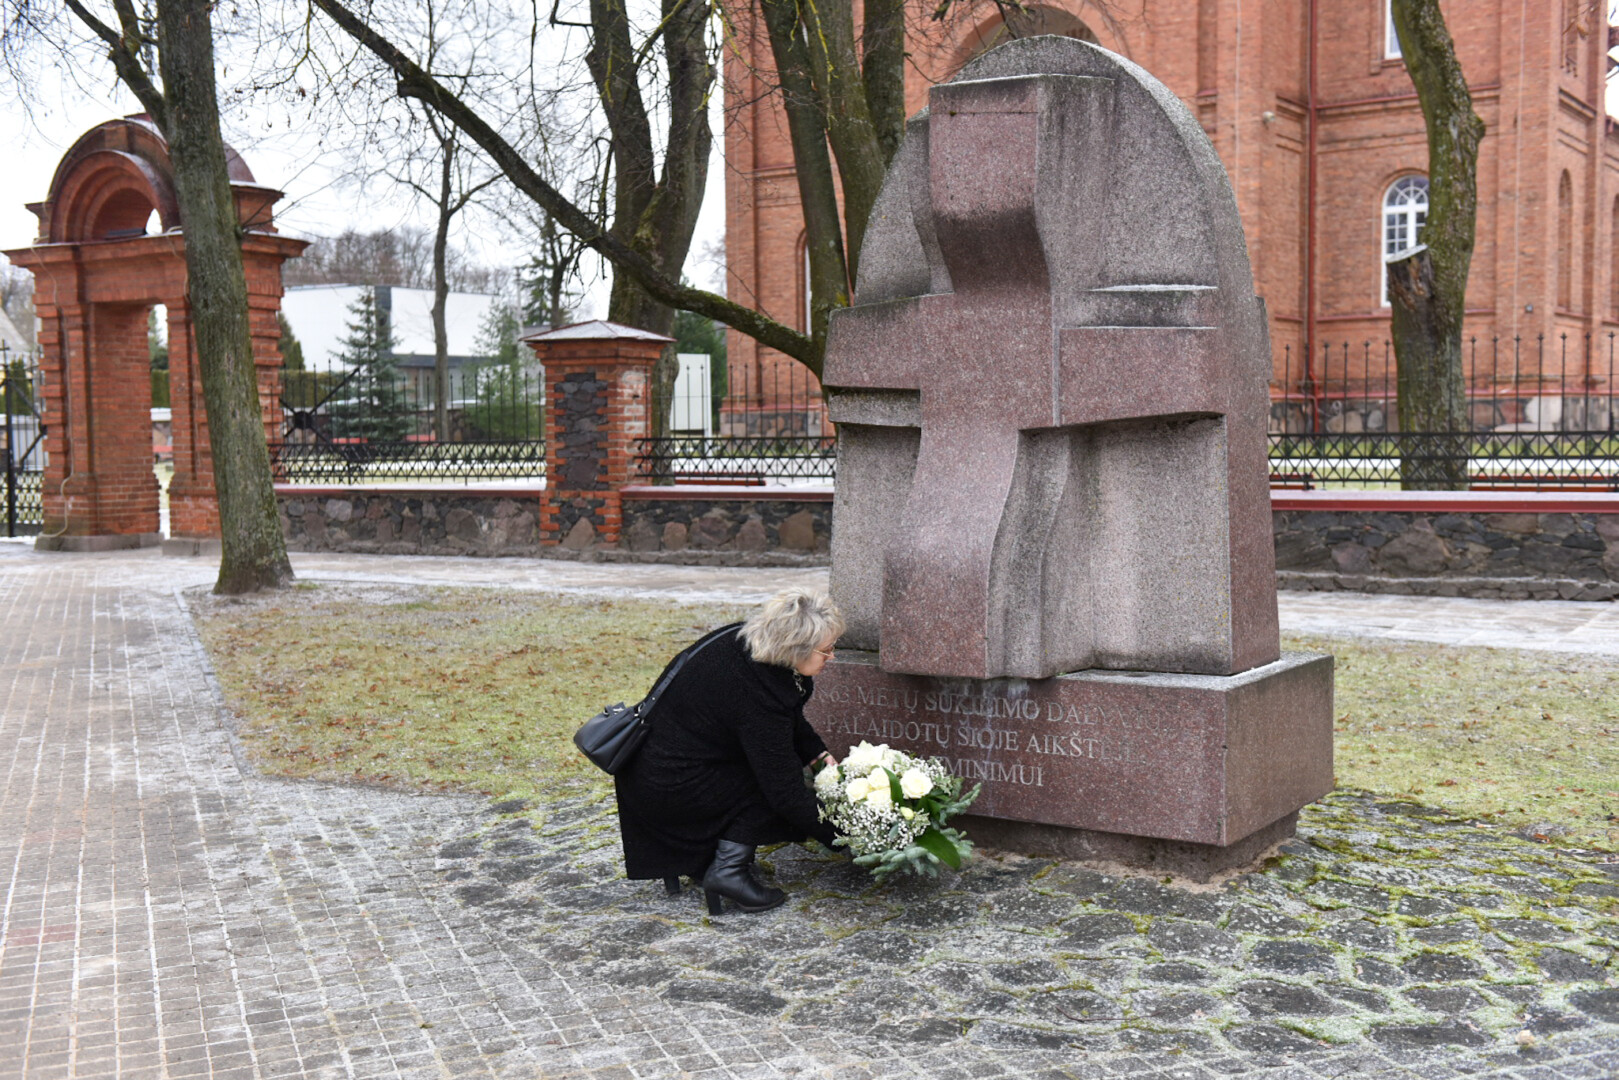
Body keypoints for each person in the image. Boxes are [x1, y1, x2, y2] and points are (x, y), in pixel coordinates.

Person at [614, 587, 844, 915]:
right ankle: (728, 871)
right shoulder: (752, 690)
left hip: (661, 765)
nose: (832, 656)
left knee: (773, 767)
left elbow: (787, 715)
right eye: (827, 649)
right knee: (772, 783)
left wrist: (818, 756)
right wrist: (843, 839)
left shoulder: (755, 647)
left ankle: (712, 859)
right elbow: (783, 792)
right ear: (797, 648)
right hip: (667, 784)